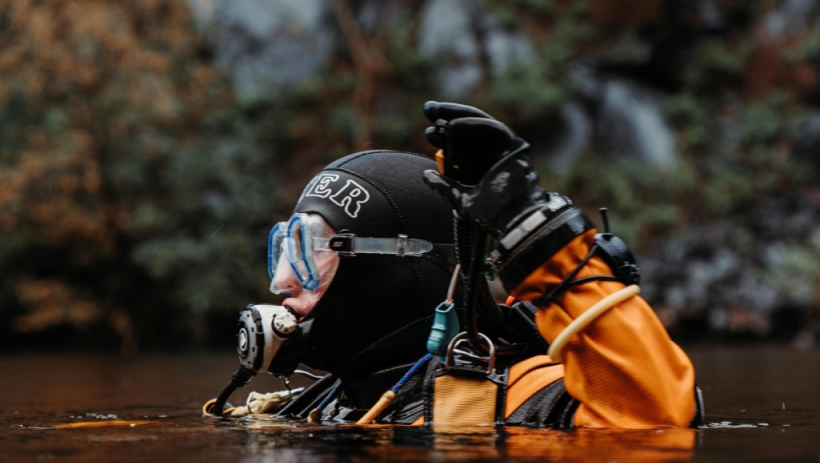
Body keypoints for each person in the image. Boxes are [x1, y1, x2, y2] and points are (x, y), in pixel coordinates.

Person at [209, 102, 701, 429]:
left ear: (398, 270)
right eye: (285, 248)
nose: (282, 280)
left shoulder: (520, 396)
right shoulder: (324, 401)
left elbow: (656, 418)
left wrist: (540, 236)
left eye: (312, 250)